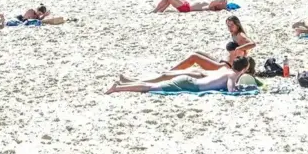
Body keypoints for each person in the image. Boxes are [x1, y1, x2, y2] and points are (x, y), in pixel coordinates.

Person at [106, 57, 253, 94]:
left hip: (190, 80)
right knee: (150, 88)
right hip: (190, 85)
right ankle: (118, 88)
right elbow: (231, 90)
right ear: (245, 68)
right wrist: (240, 90)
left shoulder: (225, 71)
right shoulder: (232, 76)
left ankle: (121, 86)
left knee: (155, 83)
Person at [154, 0, 230, 13]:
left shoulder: (210, 7)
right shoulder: (212, 6)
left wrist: (221, 1)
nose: (222, 3)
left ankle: (156, 10)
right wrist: (222, 3)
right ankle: (161, 10)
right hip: (187, 3)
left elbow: (213, 3)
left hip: (186, 8)